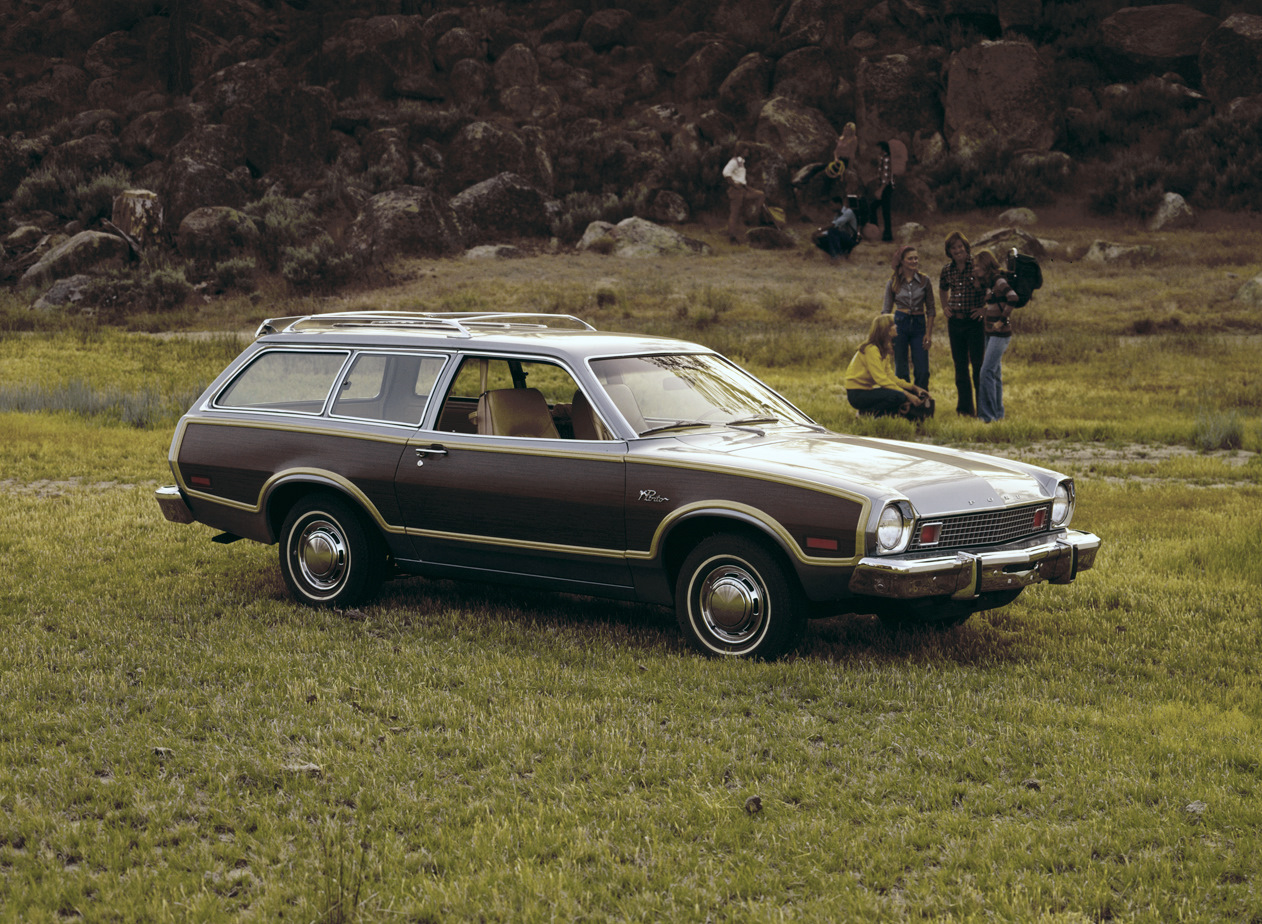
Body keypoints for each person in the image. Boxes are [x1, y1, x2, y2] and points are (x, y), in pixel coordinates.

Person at [844, 314, 932, 419]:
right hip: (856, 394)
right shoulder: (871, 349)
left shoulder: (883, 350)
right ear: (886, 330)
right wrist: (908, 395)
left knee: (900, 395)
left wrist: (914, 388)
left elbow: (890, 377)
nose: (896, 327)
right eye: (894, 325)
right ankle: (864, 414)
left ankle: (881, 415)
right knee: (898, 396)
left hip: (865, 391)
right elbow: (881, 380)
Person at [938, 231, 986, 416]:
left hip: (974, 321)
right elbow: (943, 289)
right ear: (949, 251)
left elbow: (992, 286)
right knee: (960, 367)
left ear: (966, 248)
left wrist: (984, 308)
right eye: (953, 247)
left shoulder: (976, 265)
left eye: (960, 247)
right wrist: (945, 307)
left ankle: (983, 409)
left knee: (978, 366)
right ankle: (965, 410)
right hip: (955, 322)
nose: (958, 250)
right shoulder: (947, 270)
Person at [972, 249, 1021, 423]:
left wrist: (1002, 320)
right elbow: (995, 303)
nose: (974, 269)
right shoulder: (989, 282)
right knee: (995, 374)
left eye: (977, 265)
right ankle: (999, 415)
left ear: (986, 265)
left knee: (985, 372)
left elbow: (1013, 298)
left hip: (999, 333)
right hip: (990, 332)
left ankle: (987, 417)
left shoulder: (998, 280)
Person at [881, 245, 936, 390]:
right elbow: (886, 311)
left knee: (922, 369)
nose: (914, 261)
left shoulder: (925, 281)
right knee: (901, 368)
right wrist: (887, 335)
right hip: (900, 323)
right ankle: (905, 402)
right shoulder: (892, 282)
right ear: (902, 261)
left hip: (919, 324)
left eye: (916, 258)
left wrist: (928, 334)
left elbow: (931, 310)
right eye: (910, 258)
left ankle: (922, 402)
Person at [722, 148, 767, 243]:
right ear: (741, 150)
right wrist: (734, 185)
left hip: (744, 188)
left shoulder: (741, 161)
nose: (747, 151)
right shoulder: (734, 161)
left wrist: (747, 187)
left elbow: (741, 178)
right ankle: (732, 237)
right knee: (734, 213)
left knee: (761, 194)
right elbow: (726, 173)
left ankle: (752, 216)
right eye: (746, 150)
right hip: (736, 190)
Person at [875, 140, 894, 242]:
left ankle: (887, 235)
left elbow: (886, 177)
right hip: (884, 187)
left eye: (878, 147)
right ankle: (879, 232)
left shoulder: (886, 159)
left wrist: (880, 190)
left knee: (885, 212)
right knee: (880, 209)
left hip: (886, 187)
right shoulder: (883, 158)